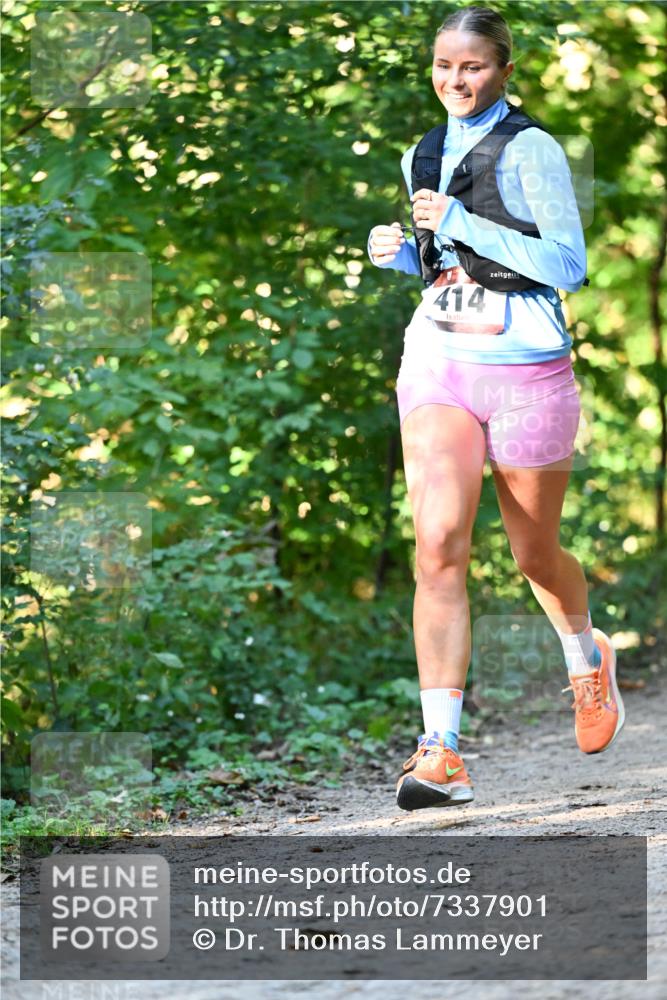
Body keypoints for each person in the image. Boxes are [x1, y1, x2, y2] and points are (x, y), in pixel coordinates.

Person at [367, 6, 624, 812]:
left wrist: (461, 220)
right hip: (439, 360)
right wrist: (404, 252)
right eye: (443, 66)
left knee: (532, 555)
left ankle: (585, 655)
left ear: (504, 69)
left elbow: (566, 263)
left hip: (527, 371)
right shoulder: (423, 150)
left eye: (472, 67)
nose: (455, 80)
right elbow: (445, 260)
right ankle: (439, 751)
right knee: (438, 542)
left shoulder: (533, 147)